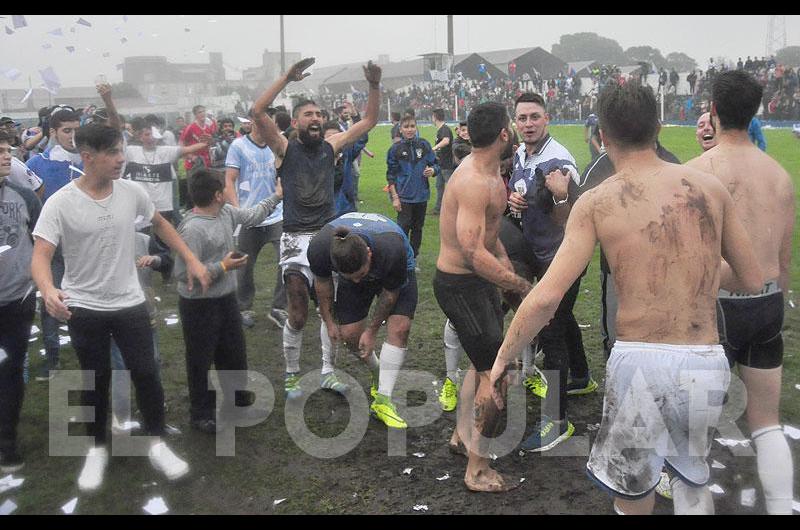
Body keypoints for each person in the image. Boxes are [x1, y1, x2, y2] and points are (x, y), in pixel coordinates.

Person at [489, 82, 762, 515]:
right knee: (691, 479)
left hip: (640, 362)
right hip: (705, 357)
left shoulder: (598, 202)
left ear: (604, 136)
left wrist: (505, 355)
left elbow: (547, 296)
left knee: (633, 492)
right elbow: (751, 276)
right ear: (658, 126)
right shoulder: (709, 189)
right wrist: (697, 276)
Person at [31, 124, 211, 492]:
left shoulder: (131, 192)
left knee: (146, 374)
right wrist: (48, 288)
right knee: (95, 380)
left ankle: (158, 442)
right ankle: (97, 448)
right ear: (88, 157)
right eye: (112, 152)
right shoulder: (60, 202)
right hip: (83, 306)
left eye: (121, 151)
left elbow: (161, 224)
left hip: (130, 303)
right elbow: (41, 254)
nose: (120, 159)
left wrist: (191, 258)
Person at [687, 70, 795, 515]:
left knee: (691, 440)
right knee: (766, 425)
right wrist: (776, 304)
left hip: (717, 309)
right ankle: (782, 507)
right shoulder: (779, 175)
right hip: (767, 303)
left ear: (713, 110)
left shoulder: (694, 172)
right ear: (757, 112)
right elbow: (784, 258)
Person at [251, 57, 382, 400]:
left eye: (319, 115)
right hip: (294, 238)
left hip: (327, 237)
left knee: (332, 310)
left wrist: (373, 85)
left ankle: (327, 371)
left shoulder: (331, 146)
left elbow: (369, 120)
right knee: (297, 310)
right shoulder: (283, 148)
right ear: (295, 122)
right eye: (308, 114)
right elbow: (257, 110)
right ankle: (292, 374)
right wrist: (286, 78)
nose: (316, 119)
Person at [433, 102, 533, 493]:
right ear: (505, 134)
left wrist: (510, 280)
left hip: (477, 285)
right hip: (460, 286)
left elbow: (492, 241)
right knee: (496, 375)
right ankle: (477, 468)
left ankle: (462, 438)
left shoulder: (493, 174)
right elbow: (473, 252)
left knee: (481, 366)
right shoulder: (473, 181)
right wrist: (520, 286)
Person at [507, 93, 590, 452]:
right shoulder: (522, 154)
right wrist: (514, 200)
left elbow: (573, 215)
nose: (527, 123)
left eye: (534, 117)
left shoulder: (559, 160)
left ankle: (557, 422)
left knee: (551, 327)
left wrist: (559, 197)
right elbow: (520, 191)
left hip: (565, 254)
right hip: (540, 251)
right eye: (522, 118)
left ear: (547, 119)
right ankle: (582, 376)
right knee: (562, 317)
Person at [176, 169, 282, 434]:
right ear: (217, 195)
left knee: (233, 352)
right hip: (198, 305)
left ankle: (237, 403)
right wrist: (222, 266)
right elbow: (181, 273)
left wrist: (277, 196)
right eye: (224, 188)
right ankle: (200, 413)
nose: (227, 190)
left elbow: (253, 215)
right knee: (200, 358)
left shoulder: (225, 213)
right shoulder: (192, 229)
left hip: (226, 299)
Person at [309, 212, 418, 429]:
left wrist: (372, 331)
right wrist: (330, 322)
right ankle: (377, 372)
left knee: (400, 328)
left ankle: (383, 401)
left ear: (368, 254)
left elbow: (389, 295)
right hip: (362, 261)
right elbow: (323, 285)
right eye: (351, 278)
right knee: (349, 335)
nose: (357, 280)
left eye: (360, 274)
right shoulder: (320, 247)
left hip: (394, 268)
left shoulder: (392, 249)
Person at [26, 107, 83, 381]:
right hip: (52, 244)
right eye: (66, 131)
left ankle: (90, 354)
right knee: (52, 299)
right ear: (53, 132)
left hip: (84, 243)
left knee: (86, 301)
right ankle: (52, 360)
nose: (73, 136)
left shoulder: (86, 159)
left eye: (76, 129)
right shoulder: (37, 164)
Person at [224, 110, 289, 330]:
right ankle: (243, 308)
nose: (263, 123)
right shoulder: (238, 146)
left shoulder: (277, 144)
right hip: (250, 215)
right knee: (244, 265)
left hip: (277, 214)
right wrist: (237, 212)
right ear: (251, 122)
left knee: (286, 260)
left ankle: (279, 307)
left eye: (267, 120)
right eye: (259, 120)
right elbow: (230, 180)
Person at [0, 131, 41, 472]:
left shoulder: (24, 196)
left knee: (11, 369)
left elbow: (39, 243)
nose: (5, 156)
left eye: (6, 150)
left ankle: (7, 441)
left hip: (17, 298)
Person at [386, 115, 439, 260]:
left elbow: (436, 164)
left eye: (412, 126)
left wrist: (433, 170)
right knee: (403, 228)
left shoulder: (424, 145)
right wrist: (395, 198)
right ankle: (401, 256)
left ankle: (413, 257)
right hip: (404, 197)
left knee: (417, 229)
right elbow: (390, 175)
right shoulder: (395, 149)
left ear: (416, 128)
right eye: (406, 127)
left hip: (421, 196)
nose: (410, 130)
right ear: (400, 129)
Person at [431, 109, 454, 216]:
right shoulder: (440, 129)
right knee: (439, 186)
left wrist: (434, 148)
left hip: (447, 164)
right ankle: (438, 209)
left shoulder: (444, 129)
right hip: (440, 164)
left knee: (451, 188)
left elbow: (446, 141)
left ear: (434, 117)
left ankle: (454, 209)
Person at [179, 105, 216, 171]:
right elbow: (181, 144)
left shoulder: (208, 127)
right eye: (200, 112)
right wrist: (191, 157)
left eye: (204, 111)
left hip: (207, 164)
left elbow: (210, 143)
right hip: (193, 165)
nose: (202, 113)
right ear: (195, 115)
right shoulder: (190, 127)